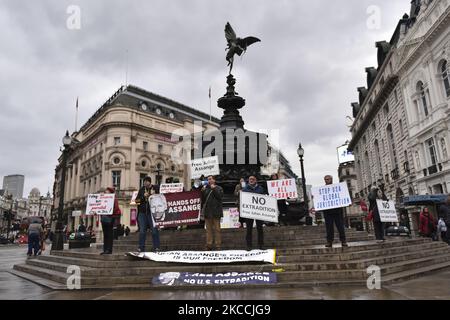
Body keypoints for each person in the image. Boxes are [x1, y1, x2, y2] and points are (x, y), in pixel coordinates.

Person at [136, 176, 160, 252]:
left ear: (150, 182)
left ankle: (156, 247)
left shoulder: (155, 188)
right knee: (142, 231)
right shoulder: (142, 190)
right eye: (144, 181)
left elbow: (161, 197)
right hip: (142, 213)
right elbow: (136, 202)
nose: (145, 183)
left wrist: (155, 194)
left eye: (146, 181)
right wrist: (143, 196)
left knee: (154, 230)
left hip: (152, 213)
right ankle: (141, 248)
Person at [322, 175, 348, 248]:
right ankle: (329, 242)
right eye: (325, 179)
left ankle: (343, 241)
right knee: (329, 228)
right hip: (327, 212)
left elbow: (343, 195)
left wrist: (347, 201)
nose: (326, 181)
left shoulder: (337, 188)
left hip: (337, 210)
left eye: (328, 179)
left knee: (340, 226)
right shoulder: (322, 190)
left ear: (331, 179)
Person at [242, 175, 266, 250]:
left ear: (256, 180)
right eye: (250, 179)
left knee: (260, 228)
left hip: (259, 212)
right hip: (249, 212)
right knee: (249, 229)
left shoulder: (260, 189)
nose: (251, 180)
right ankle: (249, 245)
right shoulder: (245, 189)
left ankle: (261, 244)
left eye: (253, 179)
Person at [201, 175, 224, 251]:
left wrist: (214, 189)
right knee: (208, 230)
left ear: (214, 180)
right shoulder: (205, 189)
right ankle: (209, 245)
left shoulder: (219, 188)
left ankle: (218, 245)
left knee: (217, 229)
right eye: (208, 179)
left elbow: (219, 197)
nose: (209, 180)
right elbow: (203, 200)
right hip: (208, 213)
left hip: (216, 212)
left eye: (210, 179)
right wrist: (202, 192)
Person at [100, 187, 122, 254]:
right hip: (104, 217)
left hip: (110, 217)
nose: (105, 192)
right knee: (105, 234)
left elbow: (116, 208)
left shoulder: (114, 199)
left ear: (110, 192)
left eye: (107, 191)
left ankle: (109, 249)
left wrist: (109, 211)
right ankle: (105, 249)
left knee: (109, 234)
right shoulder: (103, 199)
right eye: (105, 191)